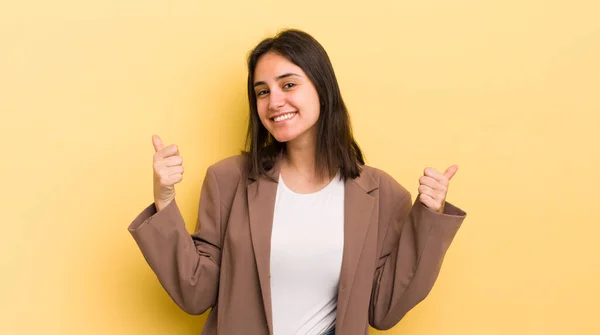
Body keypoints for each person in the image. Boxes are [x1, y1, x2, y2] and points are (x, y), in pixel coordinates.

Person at [128, 29, 467, 335]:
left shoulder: (382, 194)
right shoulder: (228, 180)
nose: (274, 102)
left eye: (288, 84)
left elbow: (384, 309)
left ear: (322, 87)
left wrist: (430, 219)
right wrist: (165, 200)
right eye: (262, 92)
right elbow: (195, 292)